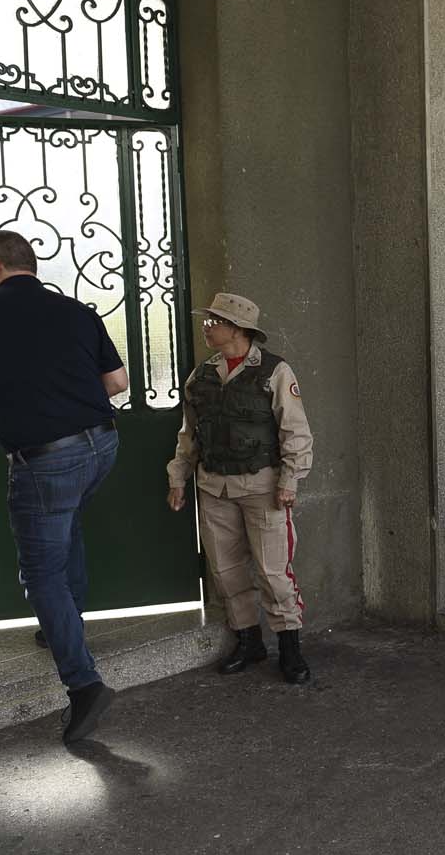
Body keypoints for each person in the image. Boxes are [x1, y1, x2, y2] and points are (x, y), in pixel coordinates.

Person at [0, 230, 127, 744]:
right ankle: (67, 623)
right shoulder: (76, 310)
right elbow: (118, 383)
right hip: (102, 447)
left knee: (41, 571)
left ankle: (84, 685)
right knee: (65, 526)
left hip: (46, 459)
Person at [166, 293, 314, 684]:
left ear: (237, 328)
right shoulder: (201, 376)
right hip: (214, 486)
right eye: (208, 320)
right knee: (226, 571)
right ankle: (249, 641)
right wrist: (178, 478)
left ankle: (290, 648)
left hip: (262, 485)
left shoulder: (274, 371)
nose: (207, 326)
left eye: (214, 321)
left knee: (273, 572)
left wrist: (290, 480)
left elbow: (294, 430)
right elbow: (189, 435)